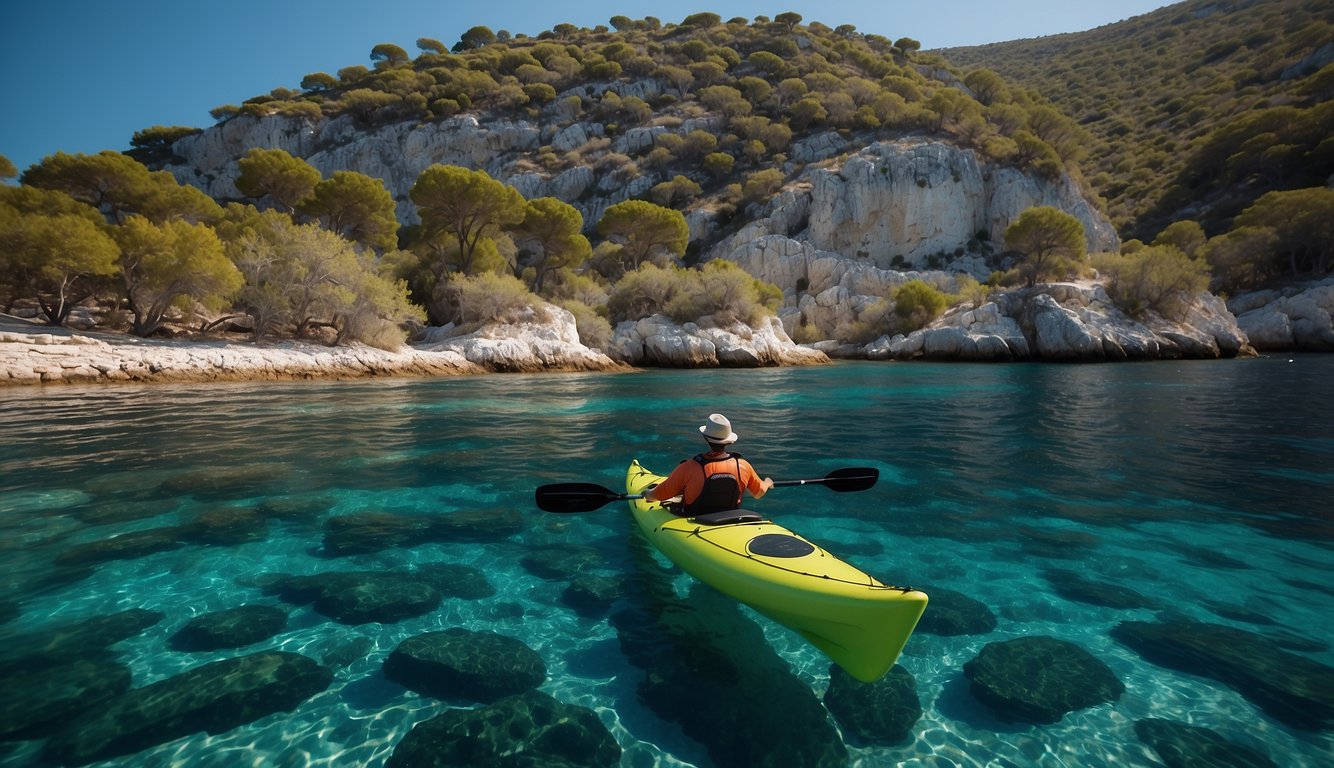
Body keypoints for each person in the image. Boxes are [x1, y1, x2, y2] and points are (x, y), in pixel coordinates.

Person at [648, 413, 774, 516]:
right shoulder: (742, 465)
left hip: (694, 517)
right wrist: (767, 483)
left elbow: (657, 495)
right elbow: (759, 493)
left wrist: (645, 494)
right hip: (730, 515)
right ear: (729, 441)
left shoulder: (688, 467)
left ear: (706, 438)